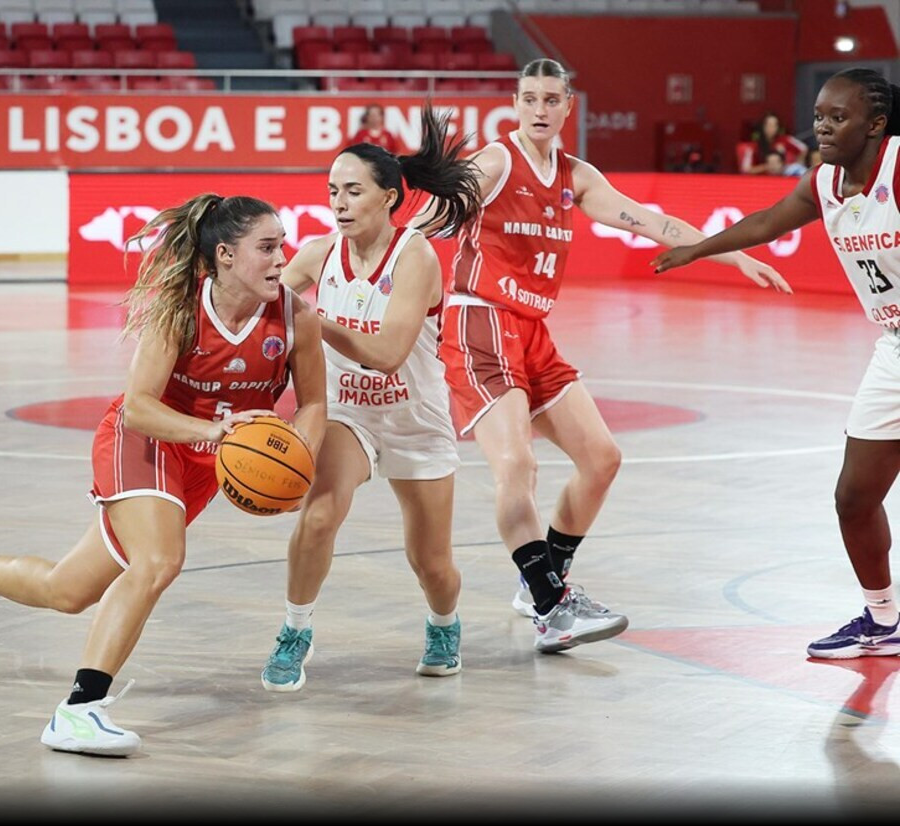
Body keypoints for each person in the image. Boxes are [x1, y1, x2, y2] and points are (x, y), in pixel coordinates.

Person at [0, 193, 327, 756]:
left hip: (201, 465)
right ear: (225, 255)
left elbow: (313, 405)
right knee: (160, 561)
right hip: (142, 439)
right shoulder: (181, 309)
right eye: (267, 247)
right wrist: (216, 433)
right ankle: (78, 711)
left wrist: (300, 462)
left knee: (68, 591)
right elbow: (140, 405)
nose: (280, 258)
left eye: (282, 246)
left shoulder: (296, 318)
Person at [430, 58, 791, 653]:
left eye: (551, 99)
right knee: (516, 467)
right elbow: (426, 223)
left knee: (601, 458)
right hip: (480, 321)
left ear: (569, 106)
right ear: (515, 104)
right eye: (528, 98)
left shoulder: (576, 176)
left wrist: (733, 254)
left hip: (532, 331)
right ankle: (553, 609)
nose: (539, 110)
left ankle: (542, 582)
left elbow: (658, 223)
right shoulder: (495, 163)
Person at [653, 68, 900, 660]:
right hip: (893, 346)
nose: (822, 125)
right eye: (818, 115)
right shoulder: (825, 185)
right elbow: (766, 221)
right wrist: (699, 249)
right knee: (853, 497)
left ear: (876, 124)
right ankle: (883, 619)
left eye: (837, 117)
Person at [259, 106, 481, 691]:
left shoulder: (416, 257)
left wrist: (311, 318)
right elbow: (264, 312)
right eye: (332, 190)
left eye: (353, 191)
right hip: (346, 414)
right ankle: (295, 630)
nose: (339, 202)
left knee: (431, 562)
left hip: (416, 416)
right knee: (320, 514)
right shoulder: (317, 254)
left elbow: (384, 353)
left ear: (388, 198)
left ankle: (443, 623)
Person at [739, 112, 809, 176]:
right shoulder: (753, 146)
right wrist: (766, 167)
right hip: (763, 178)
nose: (772, 128)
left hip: (784, 174)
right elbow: (746, 169)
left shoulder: (785, 139)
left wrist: (799, 162)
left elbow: (803, 148)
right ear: (762, 126)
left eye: (775, 125)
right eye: (769, 125)